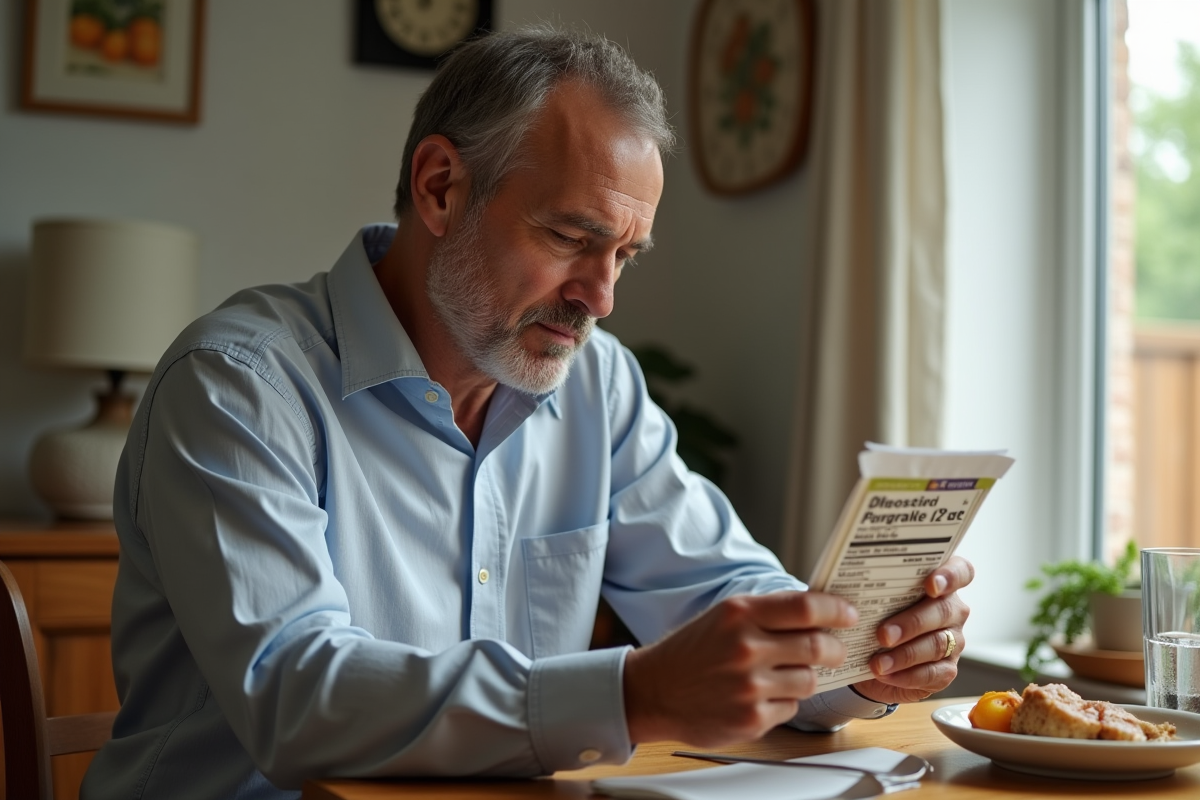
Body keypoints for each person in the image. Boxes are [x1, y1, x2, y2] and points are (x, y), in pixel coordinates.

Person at [82, 26, 972, 800]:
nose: (602, 296)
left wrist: (865, 660)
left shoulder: (597, 385)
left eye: (625, 253)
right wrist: (635, 695)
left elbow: (724, 598)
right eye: (572, 238)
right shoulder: (237, 385)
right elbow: (297, 697)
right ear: (440, 188)